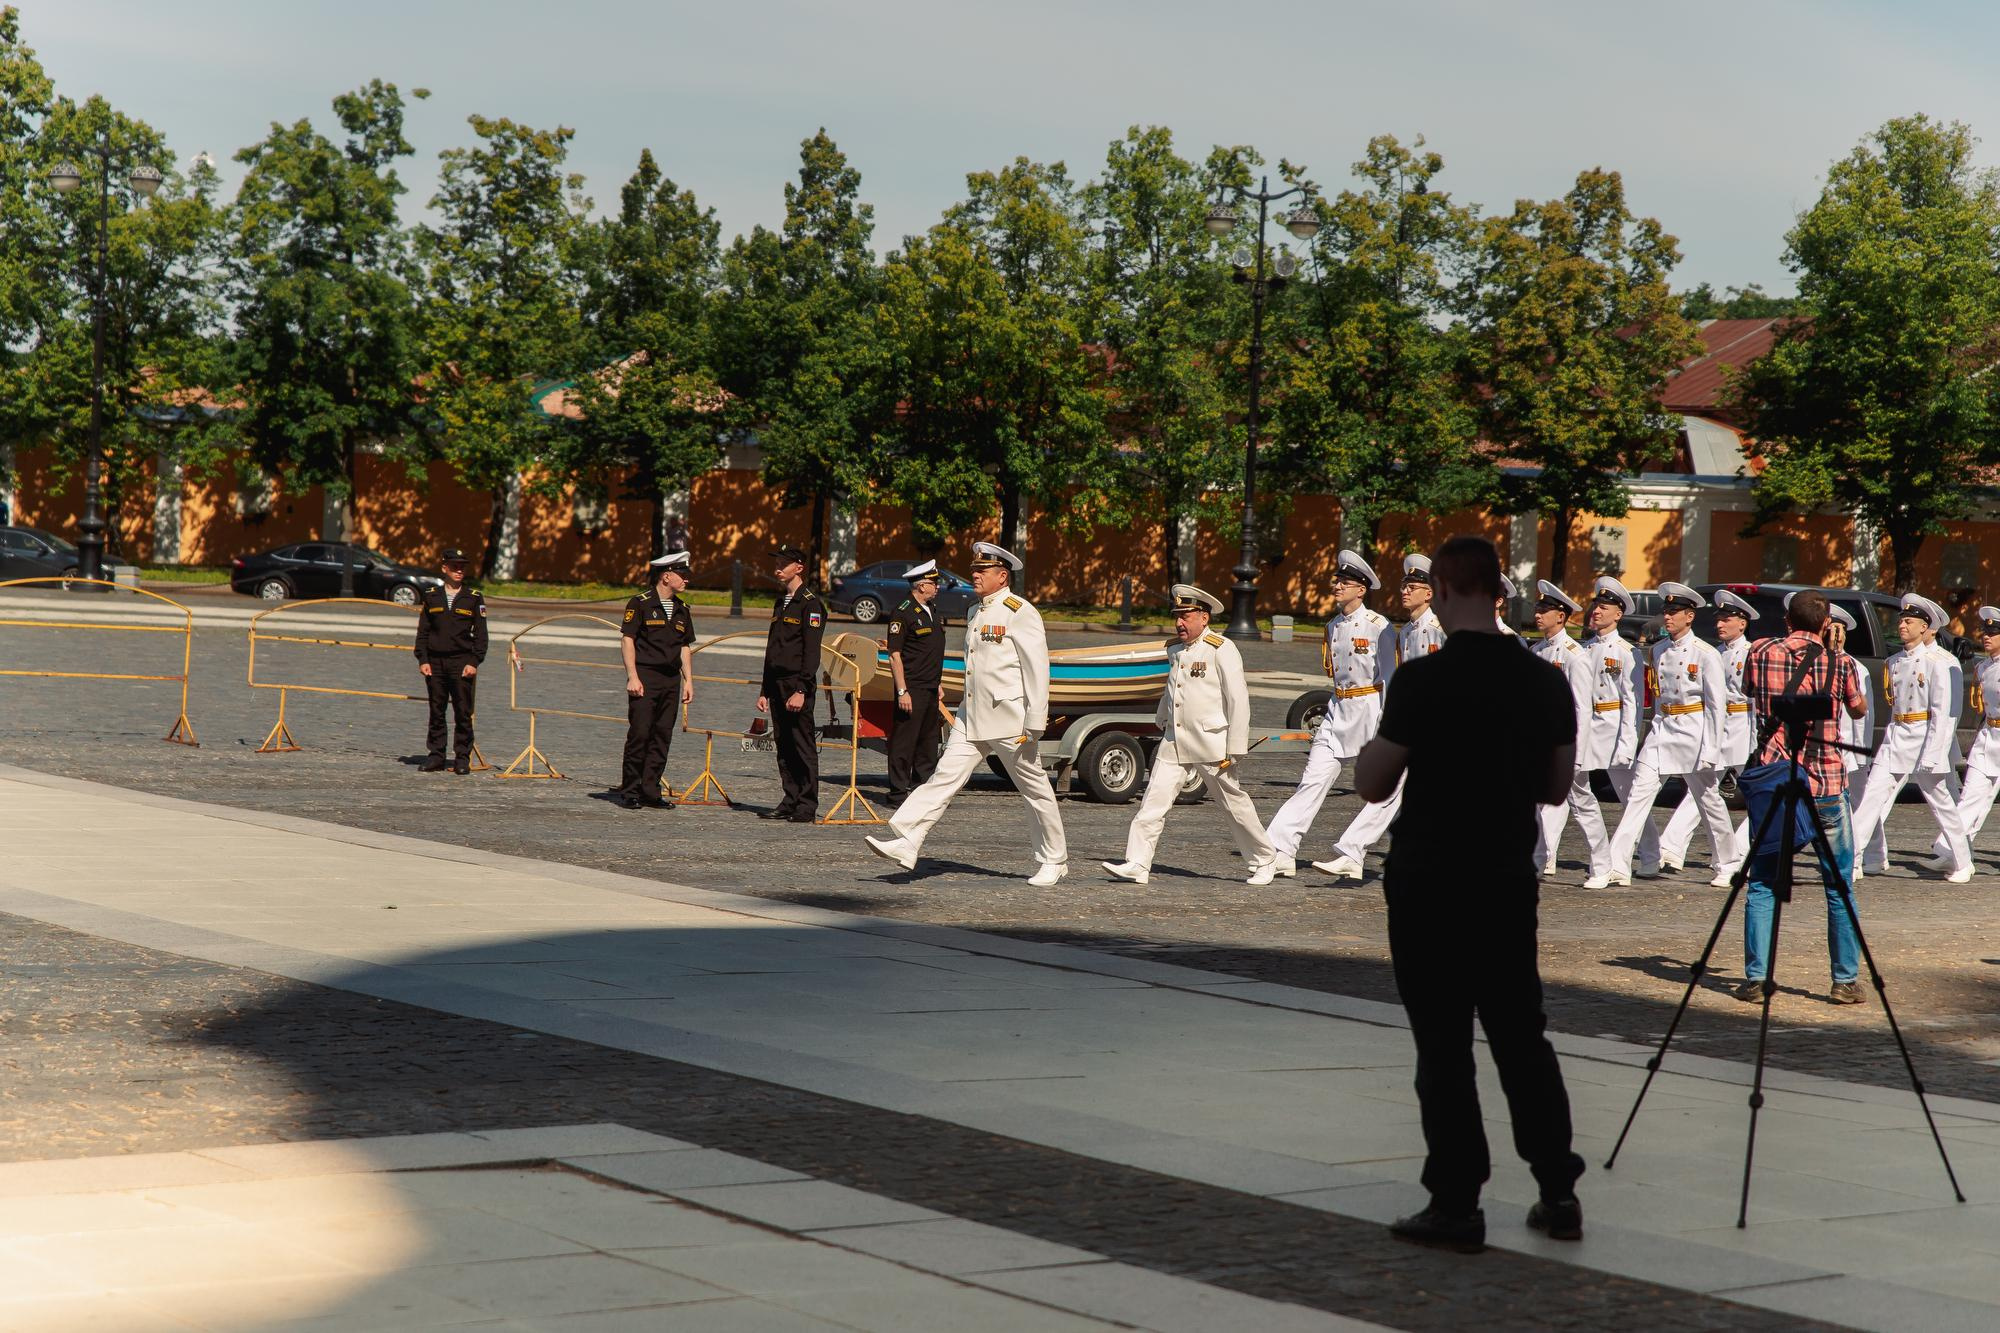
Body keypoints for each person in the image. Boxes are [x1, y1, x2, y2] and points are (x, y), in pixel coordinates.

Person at [1355, 535, 1585, 1254]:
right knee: (1522, 1036)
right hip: (1506, 879)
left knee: (1445, 1044)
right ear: (1500, 595)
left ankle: (1456, 1201)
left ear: (1447, 591)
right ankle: (1557, 1188)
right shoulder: (1546, 681)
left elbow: (1373, 782)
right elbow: (1555, 788)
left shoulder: (1424, 680)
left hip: (1429, 881)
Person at [864, 542, 1069, 886]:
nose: (974, 575)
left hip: (1008, 719)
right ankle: (909, 840)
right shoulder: (976, 611)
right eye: (974, 569)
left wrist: (1035, 721)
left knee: (1034, 790)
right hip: (971, 716)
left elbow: (1037, 669)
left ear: (1002, 576)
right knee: (944, 777)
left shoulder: (1020, 612)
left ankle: (1054, 859)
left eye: (982, 571)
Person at [1733, 589, 1872, 1005]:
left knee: (1762, 883)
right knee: (1838, 886)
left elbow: (1746, 688)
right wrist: (1834, 652)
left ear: (1787, 621)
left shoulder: (1760, 651)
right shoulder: (1841, 663)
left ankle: (1758, 979)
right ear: (1827, 623)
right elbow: (1860, 709)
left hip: (1778, 779)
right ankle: (1844, 981)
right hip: (1826, 782)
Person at [1104, 585, 1278, 887]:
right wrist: (1162, 715)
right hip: (1175, 740)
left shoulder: (1220, 648)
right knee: (1152, 803)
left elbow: (1238, 698)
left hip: (1212, 742)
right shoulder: (1175, 649)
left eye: (1186, 616)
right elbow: (1174, 688)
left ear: (1204, 618)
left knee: (1233, 804)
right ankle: (1137, 863)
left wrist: (1235, 745)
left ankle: (1264, 860)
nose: (1179, 623)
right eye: (1177, 616)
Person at [1313, 554, 1443, 881]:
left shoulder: (1439, 630)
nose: (1404, 591)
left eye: (1412, 587)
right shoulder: (1409, 631)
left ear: (1429, 593)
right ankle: (1355, 854)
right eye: (1404, 585)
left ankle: (1354, 851)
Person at [1264, 551, 1393, 878]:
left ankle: (1355, 851)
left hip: (1370, 710)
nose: (1337, 586)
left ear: (1361, 590)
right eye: (1337, 581)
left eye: (1345, 582)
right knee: (1313, 778)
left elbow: (1390, 678)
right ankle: (1281, 849)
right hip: (1337, 711)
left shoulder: (1380, 627)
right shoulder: (1333, 626)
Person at [1604, 583, 1734, 886]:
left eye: (1674, 612)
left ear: (1690, 616)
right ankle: (1618, 866)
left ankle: (1727, 863)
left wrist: (1711, 750)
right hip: (1662, 731)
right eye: (1666, 611)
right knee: (1638, 796)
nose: (1668, 616)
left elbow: (1717, 707)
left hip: (1693, 732)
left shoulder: (1706, 654)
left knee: (1709, 801)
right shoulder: (1659, 650)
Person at [1850, 594, 1972, 880]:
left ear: (1925, 628)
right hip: (1897, 737)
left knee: (1940, 801)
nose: (1902, 625)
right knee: (1871, 798)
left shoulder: (1938, 662)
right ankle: (1852, 859)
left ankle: (1962, 860)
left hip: (1924, 738)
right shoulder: (1894, 661)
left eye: (1909, 621)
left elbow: (1944, 712)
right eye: (1901, 620)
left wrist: (1936, 752)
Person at [1659, 588, 1758, 885]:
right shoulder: (1715, 652)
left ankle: (1743, 850)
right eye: (1719, 619)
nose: (1720, 624)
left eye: (1727, 619)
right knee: (1703, 789)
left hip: (1743, 726)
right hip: (1716, 726)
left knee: (1757, 795)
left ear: (1742, 623)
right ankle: (1671, 847)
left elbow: (1754, 699)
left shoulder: (1751, 653)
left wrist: (1757, 737)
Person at [1531, 581, 1610, 881]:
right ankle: (1538, 860)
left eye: (1545, 610)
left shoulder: (1575, 654)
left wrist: (1577, 752)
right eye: (1538, 608)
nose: (1538, 614)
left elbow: (1582, 707)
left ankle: (1603, 866)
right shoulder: (1538, 650)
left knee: (1583, 805)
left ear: (1561, 616)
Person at [1578, 578, 1648, 889]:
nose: (1596, 611)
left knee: (1628, 796)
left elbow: (1632, 701)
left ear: (1618, 614)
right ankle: (1610, 863)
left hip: (1612, 726)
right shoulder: (1585, 647)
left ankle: (1648, 852)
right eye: (1595, 606)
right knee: (1579, 791)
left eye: (1603, 607)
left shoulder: (1625, 651)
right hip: (1586, 727)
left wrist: (1627, 743)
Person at [615, 551, 696, 810]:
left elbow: (684, 647)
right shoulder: (640, 603)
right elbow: (628, 639)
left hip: (670, 680)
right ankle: (630, 790)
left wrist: (689, 681)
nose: (686, 580)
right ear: (666, 576)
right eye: (682, 576)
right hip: (645, 677)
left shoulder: (683, 609)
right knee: (640, 734)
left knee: (662, 736)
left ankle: (651, 791)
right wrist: (632, 676)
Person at [757, 546, 827, 823]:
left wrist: (802, 689)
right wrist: (764, 690)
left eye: (784, 563)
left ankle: (806, 804)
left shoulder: (810, 604)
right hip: (776, 684)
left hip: (797, 684)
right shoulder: (781, 602)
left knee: (802, 745)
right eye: (777, 562)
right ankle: (790, 798)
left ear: (798, 567)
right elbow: (772, 648)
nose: (778, 567)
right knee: (783, 745)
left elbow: (812, 653)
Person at [1929, 606, 2000, 870]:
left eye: (1994, 633)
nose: (1987, 637)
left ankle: (1953, 850)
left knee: (1981, 800)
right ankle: (1953, 851)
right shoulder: (1983, 668)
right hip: (1988, 737)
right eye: (1985, 632)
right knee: (1972, 794)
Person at [413, 548, 486, 774]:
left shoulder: (473, 597)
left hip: (461, 662)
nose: (459, 570)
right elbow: (423, 631)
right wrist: (422, 659)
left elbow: (482, 635)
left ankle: (462, 758)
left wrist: (474, 661)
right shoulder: (432, 595)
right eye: (454, 566)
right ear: (444, 568)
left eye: (462, 566)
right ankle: (436, 756)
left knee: (463, 713)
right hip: (435, 662)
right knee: (437, 711)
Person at [884, 560, 947, 801]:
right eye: (934, 583)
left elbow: (930, 651)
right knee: (904, 741)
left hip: (930, 686)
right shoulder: (903, 611)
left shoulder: (932, 610)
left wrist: (937, 682)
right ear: (921, 586)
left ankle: (922, 790)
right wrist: (902, 691)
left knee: (928, 742)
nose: (937, 587)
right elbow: (895, 655)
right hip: (911, 687)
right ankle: (898, 792)